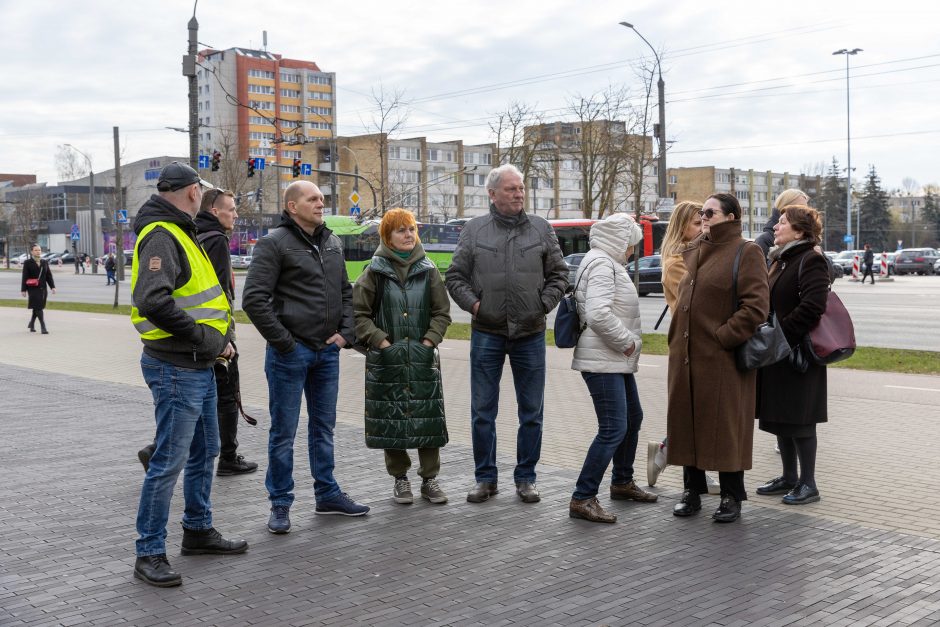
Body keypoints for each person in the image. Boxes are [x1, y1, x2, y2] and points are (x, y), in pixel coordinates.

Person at [131, 161, 246, 588]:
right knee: (168, 462)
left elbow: (206, 296)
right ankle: (149, 552)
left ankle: (198, 530)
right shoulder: (163, 232)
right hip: (177, 366)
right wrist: (206, 339)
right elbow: (153, 301)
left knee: (206, 451)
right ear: (194, 192)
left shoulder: (182, 229)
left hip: (200, 363)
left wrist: (221, 339)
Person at [243, 180, 367, 533]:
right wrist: (285, 343)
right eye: (313, 199)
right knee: (284, 432)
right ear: (292, 206)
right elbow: (254, 299)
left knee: (323, 428)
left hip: (327, 352)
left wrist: (346, 334)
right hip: (290, 355)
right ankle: (280, 503)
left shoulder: (332, 242)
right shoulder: (274, 244)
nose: (321, 203)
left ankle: (327, 494)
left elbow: (346, 291)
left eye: (322, 199)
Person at [446, 164, 569, 504]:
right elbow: (455, 277)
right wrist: (475, 307)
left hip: (529, 332)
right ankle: (485, 478)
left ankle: (526, 478)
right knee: (483, 411)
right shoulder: (474, 230)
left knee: (532, 411)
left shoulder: (541, 229)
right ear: (492, 194)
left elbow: (560, 274)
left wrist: (542, 304)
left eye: (521, 188)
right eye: (511, 189)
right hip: (487, 331)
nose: (518, 194)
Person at [136, 188, 258, 477]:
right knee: (225, 396)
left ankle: (159, 449)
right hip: (208, 337)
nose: (236, 214)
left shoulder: (192, 233)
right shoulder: (212, 240)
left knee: (195, 408)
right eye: (231, 209)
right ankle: (226, 456)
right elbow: (218, 294)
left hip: (194, 338)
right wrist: (224, 338)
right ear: (214, 211)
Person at [667, 192, 769, 523]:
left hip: (722, 358)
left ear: (731, 216)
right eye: (702, 213)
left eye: (710, 212)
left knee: (725, 427)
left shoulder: (746, 250)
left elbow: (755, 307)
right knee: (687, 422)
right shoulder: (695, 249)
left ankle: (731, 495)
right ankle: (692, 490)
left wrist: (722, 337)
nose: (704, 217)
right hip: (685, 355)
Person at [353, 209, 452, 505]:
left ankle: (430, 479)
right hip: (387, 360)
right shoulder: (373, 271)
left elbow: (441, 312)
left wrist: (428, 342)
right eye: (401, 230)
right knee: (392, 419)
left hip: (422, 359)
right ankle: (400, 479)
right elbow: (359, 315)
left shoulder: (429, 269)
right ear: (387, 236)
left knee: (428, 419)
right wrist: (381, 343)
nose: (408, 235)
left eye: (411, 229)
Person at [568, 213, 657, 524]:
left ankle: (622, 481)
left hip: (611, 359)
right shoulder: (603, 264)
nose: (632, 250)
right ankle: (582, 497)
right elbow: (598, 313)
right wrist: (627, 343)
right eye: (630, 243)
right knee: (613, 428)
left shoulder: (603, 261)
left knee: (633, 418)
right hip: (605, 358)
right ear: (618, 240)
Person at [755, 204, 829, 505]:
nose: (775, 227)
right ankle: (788, 476)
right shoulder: (781, 260)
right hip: (778, 353)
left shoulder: (811, 259)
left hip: (798, 355)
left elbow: (813, 306)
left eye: (782, 223)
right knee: (780, 417)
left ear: (799, 231)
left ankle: (808, 483)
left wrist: (781, 334)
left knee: (800, 420)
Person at [647, 201, 722, 494]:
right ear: (681, 228)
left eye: (705, 221)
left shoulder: (703, 253)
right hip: (690, 345)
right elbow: (692, 306)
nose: (703, 228)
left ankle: (669, 453)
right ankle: (674, 458)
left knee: (702, 413)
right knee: (695, 412)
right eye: (695, 224)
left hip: (706, 344)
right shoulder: (677, 262)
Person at [754, 189, 809, 258]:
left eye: (806, 208)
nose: (806, 212)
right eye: (800, 208)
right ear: (784, 207)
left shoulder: (807, 239)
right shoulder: (765, 240)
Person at [20, 243, 56, 334]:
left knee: (37, 307)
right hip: (32, 288)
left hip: (43, 289)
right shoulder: (27, 263)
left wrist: (52, 287)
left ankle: (31, 324)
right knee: (39, 307)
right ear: (32, 252)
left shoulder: (44, 262)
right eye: (36, 250)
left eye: (39, 250)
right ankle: (43, 327)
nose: (38, 251)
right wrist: (23, 289)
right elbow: (24, 277)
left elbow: (49, 276)